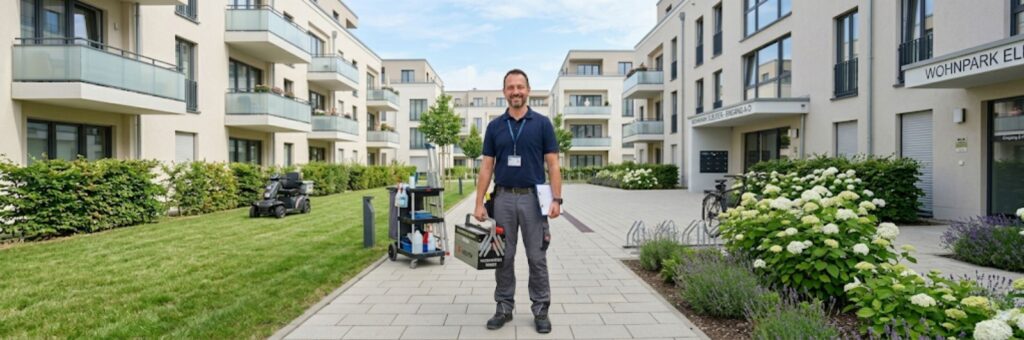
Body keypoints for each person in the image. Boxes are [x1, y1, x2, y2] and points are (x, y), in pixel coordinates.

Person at [473, 69, 562, 334]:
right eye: (510, 87)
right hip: (502, 200)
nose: (515, 92)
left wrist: (557, 199)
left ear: (528, 90)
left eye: (520, 87)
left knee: (537, 257)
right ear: (504, 92)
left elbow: (553, 164)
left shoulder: (542, 124)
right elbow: (487, 167)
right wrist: (479, 203)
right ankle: (503, 306)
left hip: (533, 201)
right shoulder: (495, 127)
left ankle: (541, 309)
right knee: (503, 257)